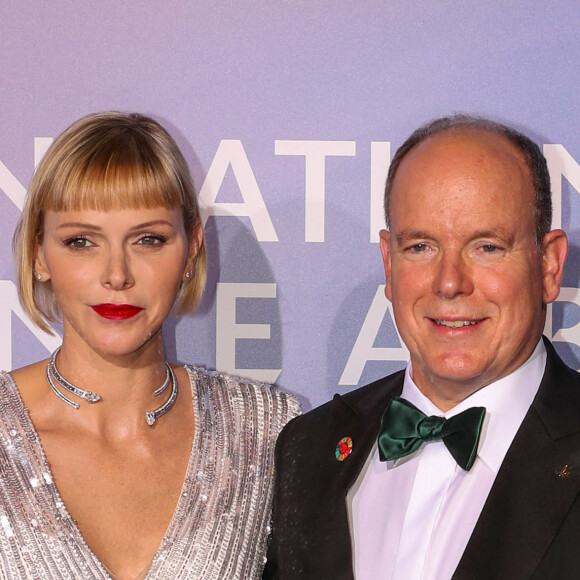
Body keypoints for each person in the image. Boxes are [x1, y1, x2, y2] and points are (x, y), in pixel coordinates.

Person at [263, 115, 580, 579]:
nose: (450, 282)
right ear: (389, 263)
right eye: (421, 247)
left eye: (487, 247)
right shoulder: (308, 448)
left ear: (549, 265)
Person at [4, 111, 300, 580]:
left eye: (148, 239)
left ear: (192, 248)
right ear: (39, 254)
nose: (117, 274)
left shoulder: (266, 433)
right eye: (82, 241)